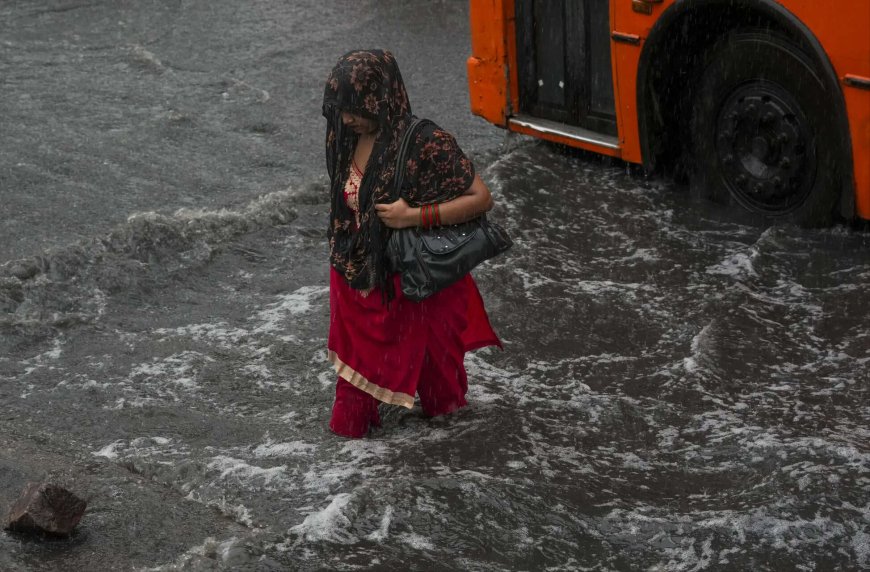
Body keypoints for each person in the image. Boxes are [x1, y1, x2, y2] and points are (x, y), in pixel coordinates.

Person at [322, 49, 502, 438]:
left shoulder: (425, 141)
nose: (346, 117)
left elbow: (480, 198)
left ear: (379, 99)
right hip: (359, 286)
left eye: (354, 108)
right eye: (340, 108)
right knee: (349, 418)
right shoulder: (344, 137)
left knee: (444, 405)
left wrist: (414, 216)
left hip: (418, 290)